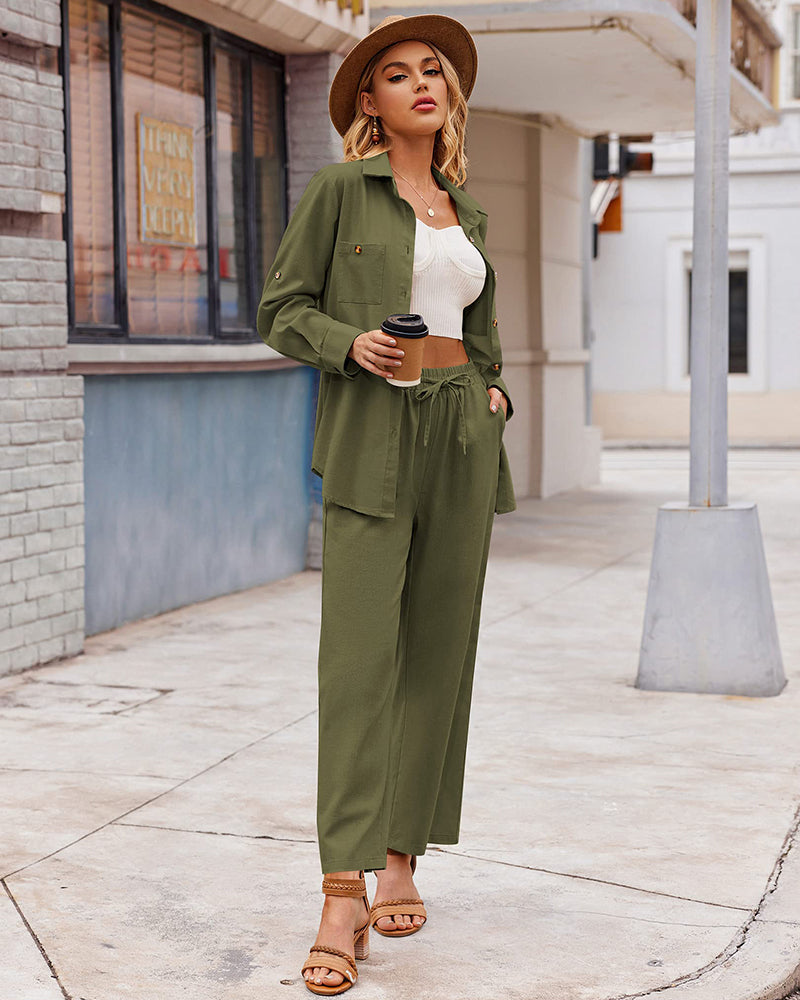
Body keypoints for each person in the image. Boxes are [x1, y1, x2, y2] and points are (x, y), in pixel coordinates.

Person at [256, 13, 515, 994]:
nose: (420, 84)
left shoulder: (466, 209)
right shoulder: (337, 192)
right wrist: (350, 343)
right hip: (374, 429)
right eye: (396, 74)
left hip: (458, 430)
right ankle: (341, 888)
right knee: (359, 661)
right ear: (366, 100)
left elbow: (479, 328)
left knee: (437, 656)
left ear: (448, 97)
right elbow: (281, 309)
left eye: (433, 73)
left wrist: (490, 391)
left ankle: (404, 853)